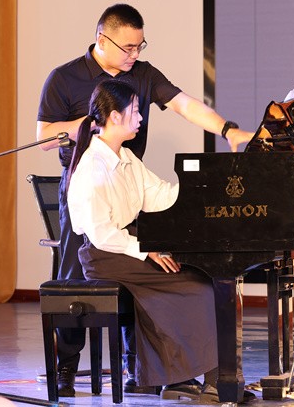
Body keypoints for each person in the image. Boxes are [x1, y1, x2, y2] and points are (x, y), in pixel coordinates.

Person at [36, 3, 254, 397]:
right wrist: (95, 119)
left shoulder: (141, 79)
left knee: (166, 281)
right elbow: (44, 137)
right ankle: (66, 368)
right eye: (128, 48)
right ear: (102, 39)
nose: (134, 55)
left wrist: (226, 136)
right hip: (90, 213)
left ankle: (149, 371)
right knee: (74, 280)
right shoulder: (65, 80)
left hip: (125, 194)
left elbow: (184, 105)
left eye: (140, 46)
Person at [66, 78, 222, 399]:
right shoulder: (92, 167)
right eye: (135, 111)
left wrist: (202, 189)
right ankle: (207, 380)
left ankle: (170, 377)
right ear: (115, 117)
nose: (140, 118)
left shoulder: (126, 158)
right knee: (196, 285)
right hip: (105, 255)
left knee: (195, 277)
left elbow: (160, 196)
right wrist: (146, 251)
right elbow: (101, 233)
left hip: (125, 248)